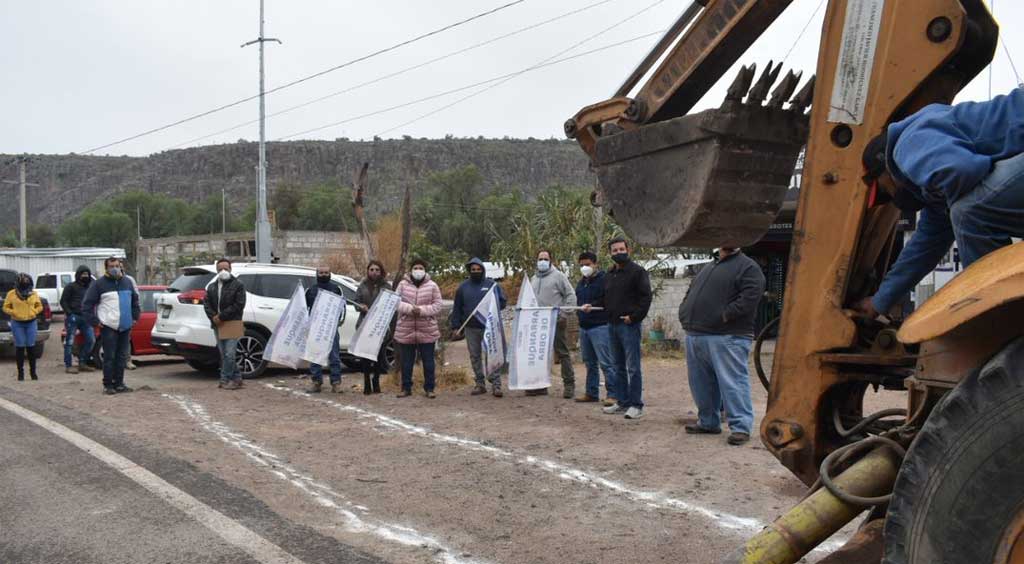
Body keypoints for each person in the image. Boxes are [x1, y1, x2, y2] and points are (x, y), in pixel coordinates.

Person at [855, 88, 1024, 319]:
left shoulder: (906, 144)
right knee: (966, 212)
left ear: (885, 168)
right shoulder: (934, 186)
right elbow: (924, 247)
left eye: (885, 190)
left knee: (968, 213)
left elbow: (961, 171)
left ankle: (1000, 324)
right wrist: (879, 301)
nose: (892, 198)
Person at [678, 246, 765, 445]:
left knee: (733, 383)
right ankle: (708, 422)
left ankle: (741, 427)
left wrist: (725, 315)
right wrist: (684, 312)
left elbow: (751, 296)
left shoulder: (748, 267)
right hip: (696, 334)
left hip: (728, 336)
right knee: (701, 384)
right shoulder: (709, 266)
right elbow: (690, 291)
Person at [602, 238, 652, 420]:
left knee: (633, 367)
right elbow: (604, 298)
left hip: (629, 326)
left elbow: (646, 298)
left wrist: (634, 317)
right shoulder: (609, 274)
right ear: (610, 253)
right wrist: (591, 306)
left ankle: (636, 405)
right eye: (614, 251)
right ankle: (622, 402)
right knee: (617, 366)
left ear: (628, 250)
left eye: (621, 249)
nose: (618, 253)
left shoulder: (638, 272)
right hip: (612, 325)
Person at [82, 257, 140, 395]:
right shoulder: (99, 284)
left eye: (117, 265)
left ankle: (119, 383)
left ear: (121, 266)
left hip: (125, 326)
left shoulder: (127, 282)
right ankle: (108, 385)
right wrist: (95, 322)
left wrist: (135, 316)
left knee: (122, 357)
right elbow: (87, 305)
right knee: (109, 357)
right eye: (111, 266)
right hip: (109, 326)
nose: (115, 268)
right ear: (106, 268)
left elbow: (135, 301)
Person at [451, 257, 507, 398]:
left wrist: (494, 305)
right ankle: (480, 383)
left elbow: (503, 302)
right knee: (475, 356)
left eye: (478, 269)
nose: (476, 271)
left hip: (489, 327)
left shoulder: (492, 285)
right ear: (469, 271)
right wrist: (456, 326)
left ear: (483, 269)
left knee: (492, 354)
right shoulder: (463, 287)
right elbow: (457, 308)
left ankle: (496, 384)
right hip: (471, 328)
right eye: (473, 269)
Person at [529, 249, 577, 398]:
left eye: (545, 259)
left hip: (556, 321)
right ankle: (540, 385)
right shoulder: (533, 278)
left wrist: (564, 314)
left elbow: (571, 295)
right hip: (537, 324)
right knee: (539, 355)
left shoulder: (559, 276)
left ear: (551, 261)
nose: (542, 261)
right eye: (540, 259)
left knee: (562, 353)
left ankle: (569, 385)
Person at [394, 259, 443, 398]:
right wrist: (410, 309)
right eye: (415, 267)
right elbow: (396, 302)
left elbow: (438, 305)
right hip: (406, 328)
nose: (418, 270)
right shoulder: (402, 285)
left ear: (425, 270)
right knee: (406, 362)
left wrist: (421, 310)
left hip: (427, 329)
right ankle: (406, 388)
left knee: (428, 362)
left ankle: (429, 388)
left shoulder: (432, 286)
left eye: (421, 267)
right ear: (411, 270)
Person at [575, 251, 617, 404]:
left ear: (595, 264)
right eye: (581, 265)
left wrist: (593, 306)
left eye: (587, 264)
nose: (584, 268)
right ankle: (591, 392)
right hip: (584, 327)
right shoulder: (581, 283)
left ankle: (613, 394)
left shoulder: (604, 280)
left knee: (606, 362)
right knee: (589, 362)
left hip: (600, 326)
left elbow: (608, 299)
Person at [203, 258, 246, 390]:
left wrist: (221, 316)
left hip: (232, 322)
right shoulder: (212, 287)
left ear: (230, 269)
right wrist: (214, 317)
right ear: (216, 270)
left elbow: (239, 305)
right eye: (220, 269)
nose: (223, 271)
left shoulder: (238, 285)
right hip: (218, 324)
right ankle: (237, 377)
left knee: (229, 353)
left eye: (225, 268)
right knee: (224, 354)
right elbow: (207, 304)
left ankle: (225, 379)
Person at [305, 265, 345, 394]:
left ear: (330, 274)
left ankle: (336, 383)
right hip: (316, 329)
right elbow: (305, 309)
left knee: (334, 356)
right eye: (321, 273)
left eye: (326, 272)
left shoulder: (336, 289)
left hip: (331, 329)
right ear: (317, 274)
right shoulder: (310, 290)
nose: (324, 275)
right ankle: (316, 382)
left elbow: (341, 308)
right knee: (315, 356)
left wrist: (336, 322)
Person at [355, 260, 392, 395]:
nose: (374, 272)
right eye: (372, 269)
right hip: (365, 323)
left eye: (377, 269)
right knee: (365, 356)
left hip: (379, 325)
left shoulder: (387, 286)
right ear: (368, 271)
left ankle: (376, 380)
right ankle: (366, 382)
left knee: (377, 355)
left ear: (381, 271)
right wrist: (361, 306)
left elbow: (391, 304)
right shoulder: (363, 285)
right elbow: (356, 301)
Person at [4, 273, 43, 381]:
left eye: (27, 279)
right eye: (23, 279)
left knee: (31, 347)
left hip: (31, 322)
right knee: (20, 347)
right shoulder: (11, 294)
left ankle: (33, 373)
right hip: (17, 323)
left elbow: (39, 306)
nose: (25, 281)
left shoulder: (33, 293)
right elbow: (5, 307)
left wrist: (34, 311)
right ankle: (20, 373)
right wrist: (14, 312)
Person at [60, 265, 96, 375]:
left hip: (86, 318)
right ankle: (68, 365)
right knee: (69, 342)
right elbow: (63, 301)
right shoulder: (70, 287)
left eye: (87, 274)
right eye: (83, 274)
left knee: (91, 340)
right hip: (73, 317)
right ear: (78, 275)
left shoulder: (91, 288)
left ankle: (82, 363)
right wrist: (69, 313)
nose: (85, 276)